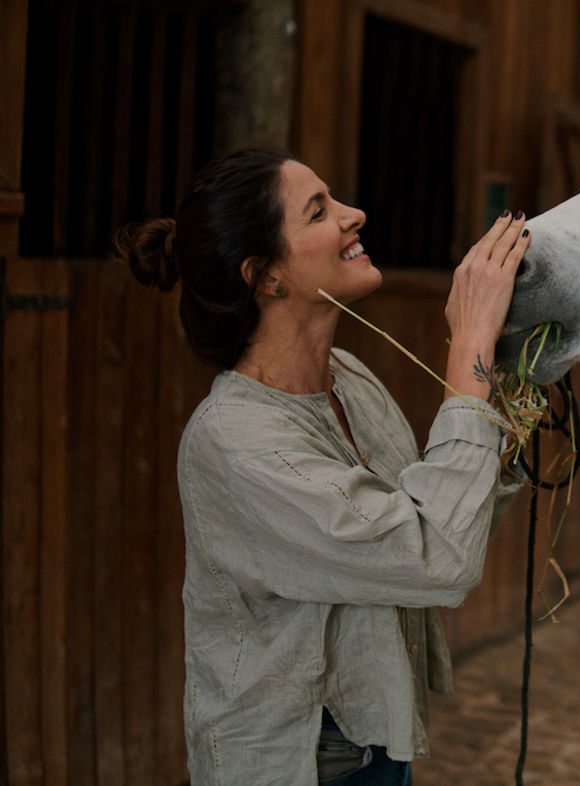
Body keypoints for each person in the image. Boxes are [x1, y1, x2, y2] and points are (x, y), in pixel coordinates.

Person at [114, 147, 530, 785]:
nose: (353, 214)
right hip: (299, 764)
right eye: (318, 211)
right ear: (266, 277)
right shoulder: (234, 441)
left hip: (375, 740)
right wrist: (471, 341)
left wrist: (509, 400)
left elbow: (444, 524)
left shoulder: (348, 377)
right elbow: (438, 557)